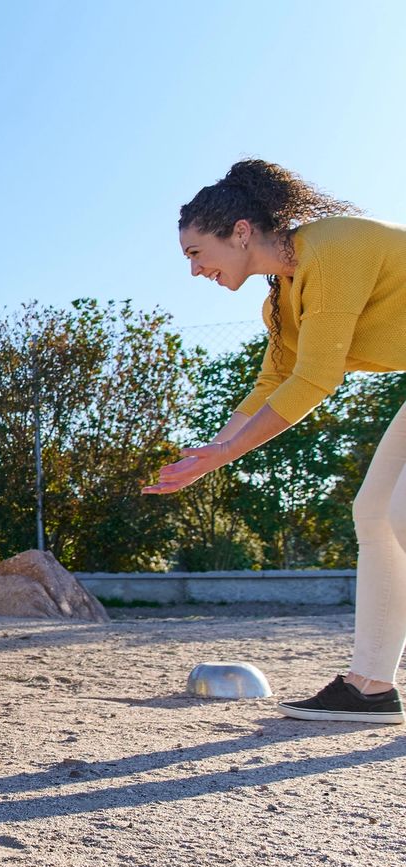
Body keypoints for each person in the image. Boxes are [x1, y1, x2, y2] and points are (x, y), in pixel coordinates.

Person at [145, 159, 406, 724]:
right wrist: (207, 457)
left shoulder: (329, 249)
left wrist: (228, 452)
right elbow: (274, 383)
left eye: (195, 253)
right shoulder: (281, 301)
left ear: (241, 232)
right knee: (376, 513)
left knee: (404, 512)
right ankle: (370, 688)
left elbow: (316, 379)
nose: (193, 271)